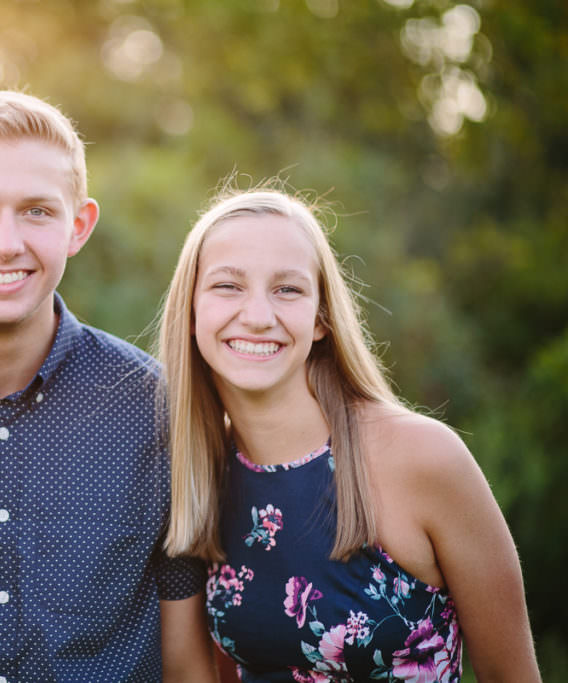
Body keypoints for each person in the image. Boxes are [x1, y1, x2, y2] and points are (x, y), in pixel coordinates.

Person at [157, 184, 542, 681]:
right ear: (191, 311)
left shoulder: (424, 458)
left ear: (321, 318)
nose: (256, 316)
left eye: (287, 289)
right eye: (227, 286)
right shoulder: (198, 473)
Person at [0, 90, 217, 682]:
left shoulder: (155, 410)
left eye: (37, 211)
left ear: (78, 227)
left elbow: (186, 661)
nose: (5, 242)